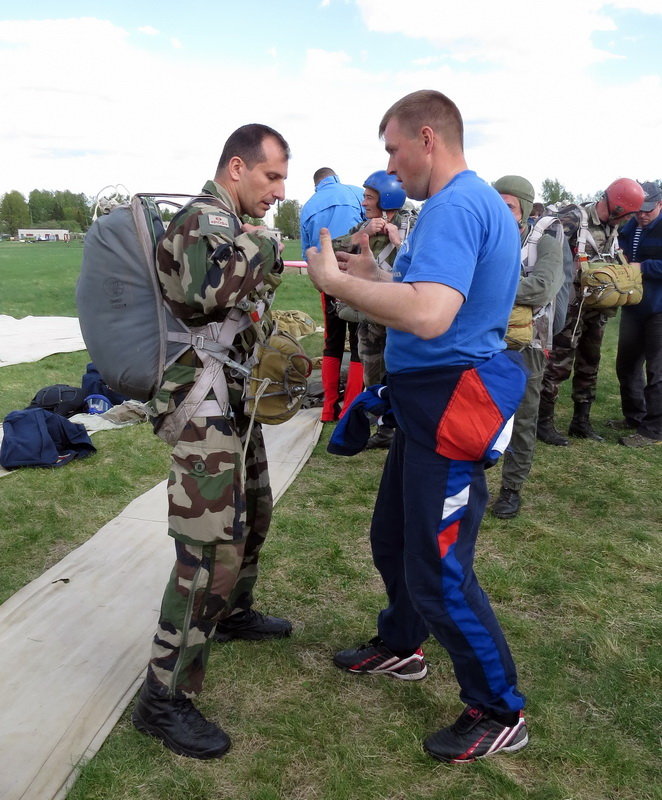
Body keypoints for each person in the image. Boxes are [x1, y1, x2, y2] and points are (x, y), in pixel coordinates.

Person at [306, 90, 529, 763]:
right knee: (395, 539)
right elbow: (427, 296)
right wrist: (377, 273)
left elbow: (430, 316)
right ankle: (402, 646)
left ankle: (499, 710)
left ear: (427, 138)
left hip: (451, 408)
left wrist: (342, 287)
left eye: (393, 149)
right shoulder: (451, 206)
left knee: (439, 571)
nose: (389, 166)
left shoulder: (459, 204)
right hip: (424, 409)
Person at [132, 124, 293, 760]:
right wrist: (266, 246)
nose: (279, 191)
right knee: (207, 553)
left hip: (230, 397)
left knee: (254, 512)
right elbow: (205, 292)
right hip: (199, 407)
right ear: (235, 168)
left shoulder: (231, 226)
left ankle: (229, 617)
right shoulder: (202, 222)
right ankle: (162, 698)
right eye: (271, 176)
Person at [537, 178, 645, 446]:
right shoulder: (574, 218)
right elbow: (545, 250)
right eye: (629, 214)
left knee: (590, 362)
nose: (629, 220)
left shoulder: (613, 228)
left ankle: (580, 422)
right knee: (558, 364)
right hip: (571, 307)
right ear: (618, 207)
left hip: (596, 307)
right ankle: (543, 422)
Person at [491, 176, 564, 519]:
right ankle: (470, 476)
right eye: (497, 204)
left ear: (523, 210)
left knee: (522, 418)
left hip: (528, 345)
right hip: (484, 339)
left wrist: (489, 284)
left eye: (509, 205)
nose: (502, 212)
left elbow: (541, 288)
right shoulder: (485, 237)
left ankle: (511, 489)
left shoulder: (544, 243)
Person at [333, 170, 416, 448]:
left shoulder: (413, 228)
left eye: (369, 197)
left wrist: (399, 242)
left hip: (397, 319)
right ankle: (384, 433)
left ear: (387, 198)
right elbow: (332, 251)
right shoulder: (364, 226)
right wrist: (360, 236)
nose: (364, 202)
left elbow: (424, 269)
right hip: (368, 319)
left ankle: (404, 430)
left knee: (400, 376)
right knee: (373, 377)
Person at [300, 169, 365, 421]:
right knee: (358, 341)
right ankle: (350, 407)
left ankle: (328, 408)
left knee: (332, 341)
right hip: (355, 277)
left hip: (328, 280)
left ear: (316, 184)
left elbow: (309, 253)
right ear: (336, 177)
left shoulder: (308, 207)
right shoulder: (354, 193)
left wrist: (322, 285)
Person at [610, 181, 662, 447]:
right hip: (634, 307)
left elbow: (641, 265)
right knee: (627, 365)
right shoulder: (631, 227)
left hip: (659, 310)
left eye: (649, 210)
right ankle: (634, 417)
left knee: (657, 370)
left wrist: (643, 267)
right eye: (640, 209)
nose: (643, 214)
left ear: (660, 205)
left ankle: (654, 430)